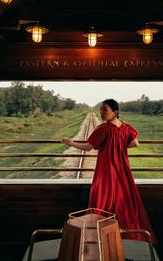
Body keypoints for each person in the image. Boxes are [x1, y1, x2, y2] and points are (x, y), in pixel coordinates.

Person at [62, 98, 156, 244]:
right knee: (124, 201)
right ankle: (125, 238)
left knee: (101, 199)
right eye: (100, 109)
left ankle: (98, 240)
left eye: (104, 109)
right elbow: (135, 143)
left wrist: (70, 142)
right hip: (122, 170)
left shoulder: (104, 129)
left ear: (115, 112)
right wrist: (119, 147)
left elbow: (87, 147)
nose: (101, 112)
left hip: (106, 170)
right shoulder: (126, 127)